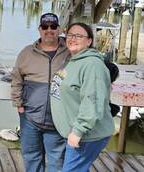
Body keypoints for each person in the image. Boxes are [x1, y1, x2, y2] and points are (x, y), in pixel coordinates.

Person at [50, 22, 114, 172]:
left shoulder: (92, 64)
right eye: (70, 35)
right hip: (73, 133)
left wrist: (78, 131)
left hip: (86, 136)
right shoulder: (72, 60)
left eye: (79, 36)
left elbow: (92, 100)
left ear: (89, 41)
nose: (73, 38)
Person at [11, 13, 70, 172]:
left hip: (58, 119)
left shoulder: (70, 52)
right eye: (45, 27)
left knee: (57, 161)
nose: (49, 30)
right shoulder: (26, 52)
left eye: (53, 27)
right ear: (39, 30)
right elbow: (16, 79)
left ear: (59, 29)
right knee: (31, 157)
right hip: (30, 117)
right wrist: (18, 104)